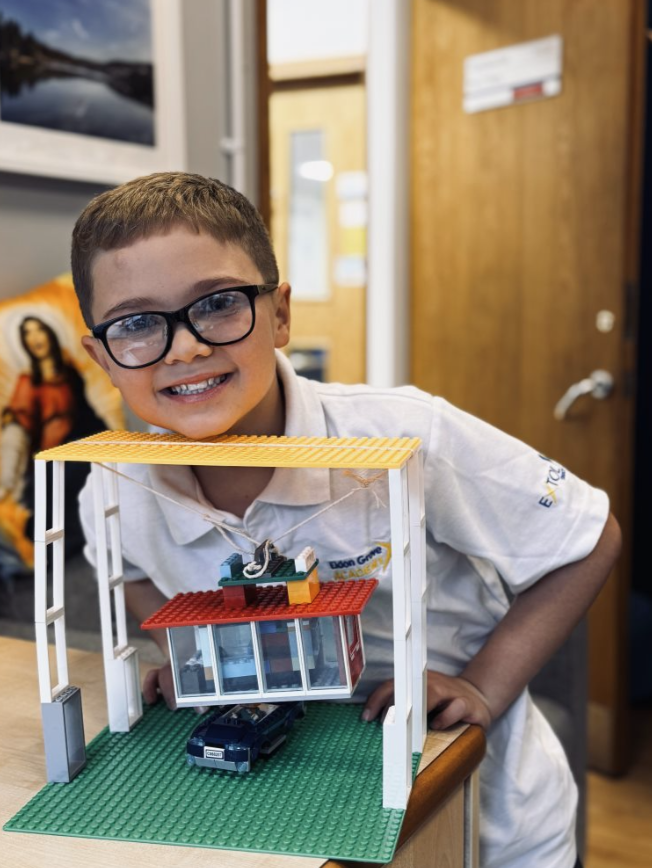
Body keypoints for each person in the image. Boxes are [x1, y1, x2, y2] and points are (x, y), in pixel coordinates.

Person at [72, 172, 620, 868]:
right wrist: (189, 653)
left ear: (279, 315)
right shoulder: (111, 484)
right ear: (101, 355)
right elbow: (124, 571)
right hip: (289, 802)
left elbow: (587, 535)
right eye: (137, 323)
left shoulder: (405, 431)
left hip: (484, 815)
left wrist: (483, 684)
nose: (184, 348)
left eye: (215, 304)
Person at [0, 315, 108, 561]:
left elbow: (85, 409)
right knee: (55, 488)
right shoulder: (28, 381)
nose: (35, 337)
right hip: (53, 450)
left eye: (39, 330)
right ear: (24, 342)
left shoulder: (69, 370)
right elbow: (19, 423)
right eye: (28, 333)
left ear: (48, 334)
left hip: (85, 438)